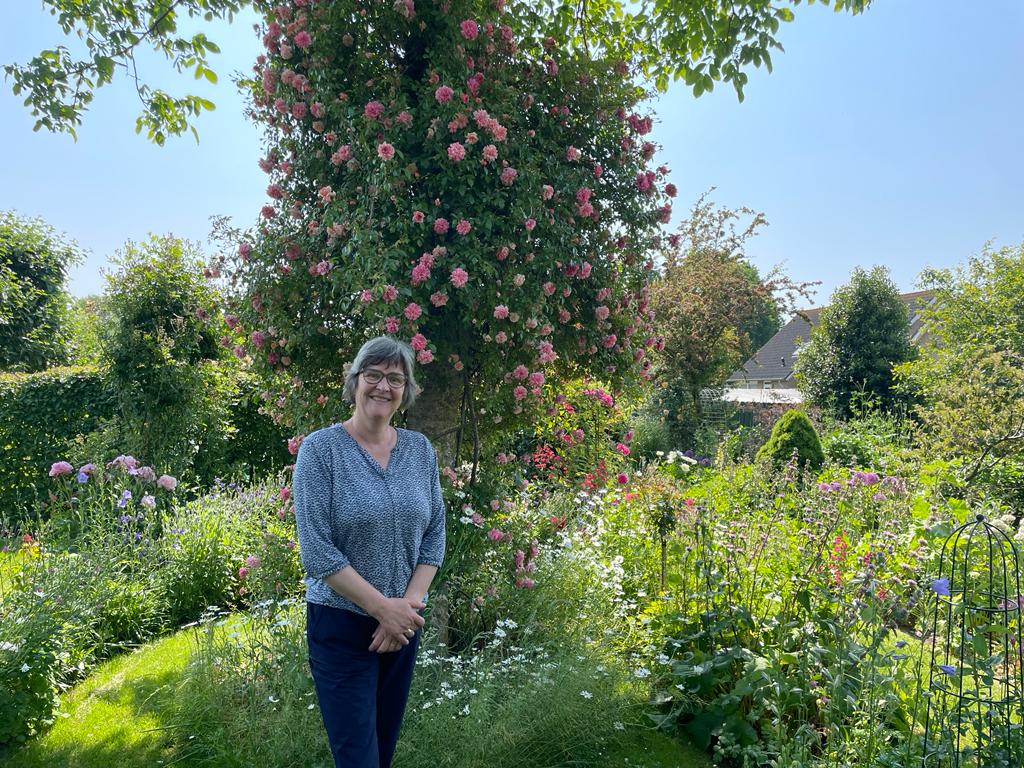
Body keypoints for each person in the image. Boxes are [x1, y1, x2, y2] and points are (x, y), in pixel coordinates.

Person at [293, 335, 446, 768]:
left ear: (406, 390)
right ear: (355, 381)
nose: (383, 386)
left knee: (382, 750)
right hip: (342, 626)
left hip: (402, 627)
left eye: (394, 378)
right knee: (358, 758)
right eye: (373, 375)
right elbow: (317, 551)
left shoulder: (419, 451)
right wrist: (383, 609)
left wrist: (405, 610)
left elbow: (434, 535)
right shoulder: (321, 451)